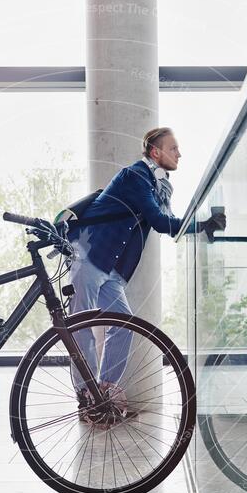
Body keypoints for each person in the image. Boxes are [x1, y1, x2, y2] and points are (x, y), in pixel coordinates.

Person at [67, 127, 226, 422]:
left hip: (112, 269)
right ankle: (88, 400)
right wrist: (201, 225)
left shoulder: (160, 185)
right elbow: (159, 220)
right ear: (155, 152)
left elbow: (166, 220)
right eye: (174, 148)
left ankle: (104, 392)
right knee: (81, 328)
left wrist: (198, 224)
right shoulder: (135, 176)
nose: (180, 154)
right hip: (90, 255)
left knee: (124, 326)